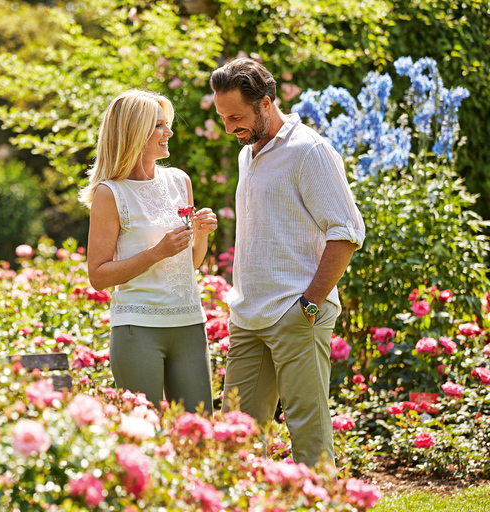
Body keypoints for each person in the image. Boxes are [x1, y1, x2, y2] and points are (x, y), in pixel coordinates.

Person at [210, 58, 366, 466]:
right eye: (222, 118)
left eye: (236, 117)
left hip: (297, 313)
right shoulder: (249, 153)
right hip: (247, 316)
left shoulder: (309, 151)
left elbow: (346, 231)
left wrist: (310, 304)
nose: (229, 128)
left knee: (308, 433)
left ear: (265, 103)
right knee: (236, 438)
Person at [80, 89, 218, 414]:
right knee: (146, 435)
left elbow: (189, 264)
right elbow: (98, 276)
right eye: (159, 126)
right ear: (134, 132)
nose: (169, 132)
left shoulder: (180, 181)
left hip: (189, 323)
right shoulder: (109, 193)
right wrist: (156, 253)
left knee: (200, 435)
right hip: (137, 328)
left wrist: (202, 236)